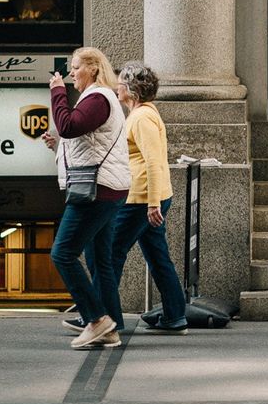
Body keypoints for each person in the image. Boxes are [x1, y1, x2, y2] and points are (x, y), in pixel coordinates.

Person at [47, 47, 132, 349]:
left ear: (94, 69)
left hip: (96, 191)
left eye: (76, 68)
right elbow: (84, 140)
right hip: (108, 188)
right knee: (100, 259)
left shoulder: (97, 98)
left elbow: (69, 126)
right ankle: (109, 324)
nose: (71, 74)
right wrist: (56, 145)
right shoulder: (99, 98)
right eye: (70, 69)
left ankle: (96, 319)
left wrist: (57, 93)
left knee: (62, 253)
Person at [106, 62, 187, 335]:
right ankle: (175, 315)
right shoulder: (144, 115)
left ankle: (102, 317)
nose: (116, 87)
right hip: (150, 197)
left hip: (140, 199)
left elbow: (153, 162)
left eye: (120, 83)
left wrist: (152, 203)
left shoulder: (141, 118)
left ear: (131, 90)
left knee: (111, 253)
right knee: (157, 256)